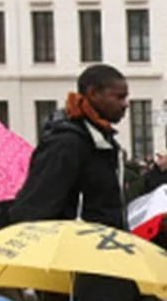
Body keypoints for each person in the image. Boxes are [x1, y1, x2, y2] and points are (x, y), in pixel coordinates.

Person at [7, 64, 129, 228]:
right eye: (119, 97)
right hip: (78, 246)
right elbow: (34, 209)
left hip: (102, 246)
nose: (125, 104)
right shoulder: (66, 143)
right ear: (93, 93)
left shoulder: (102, 141)